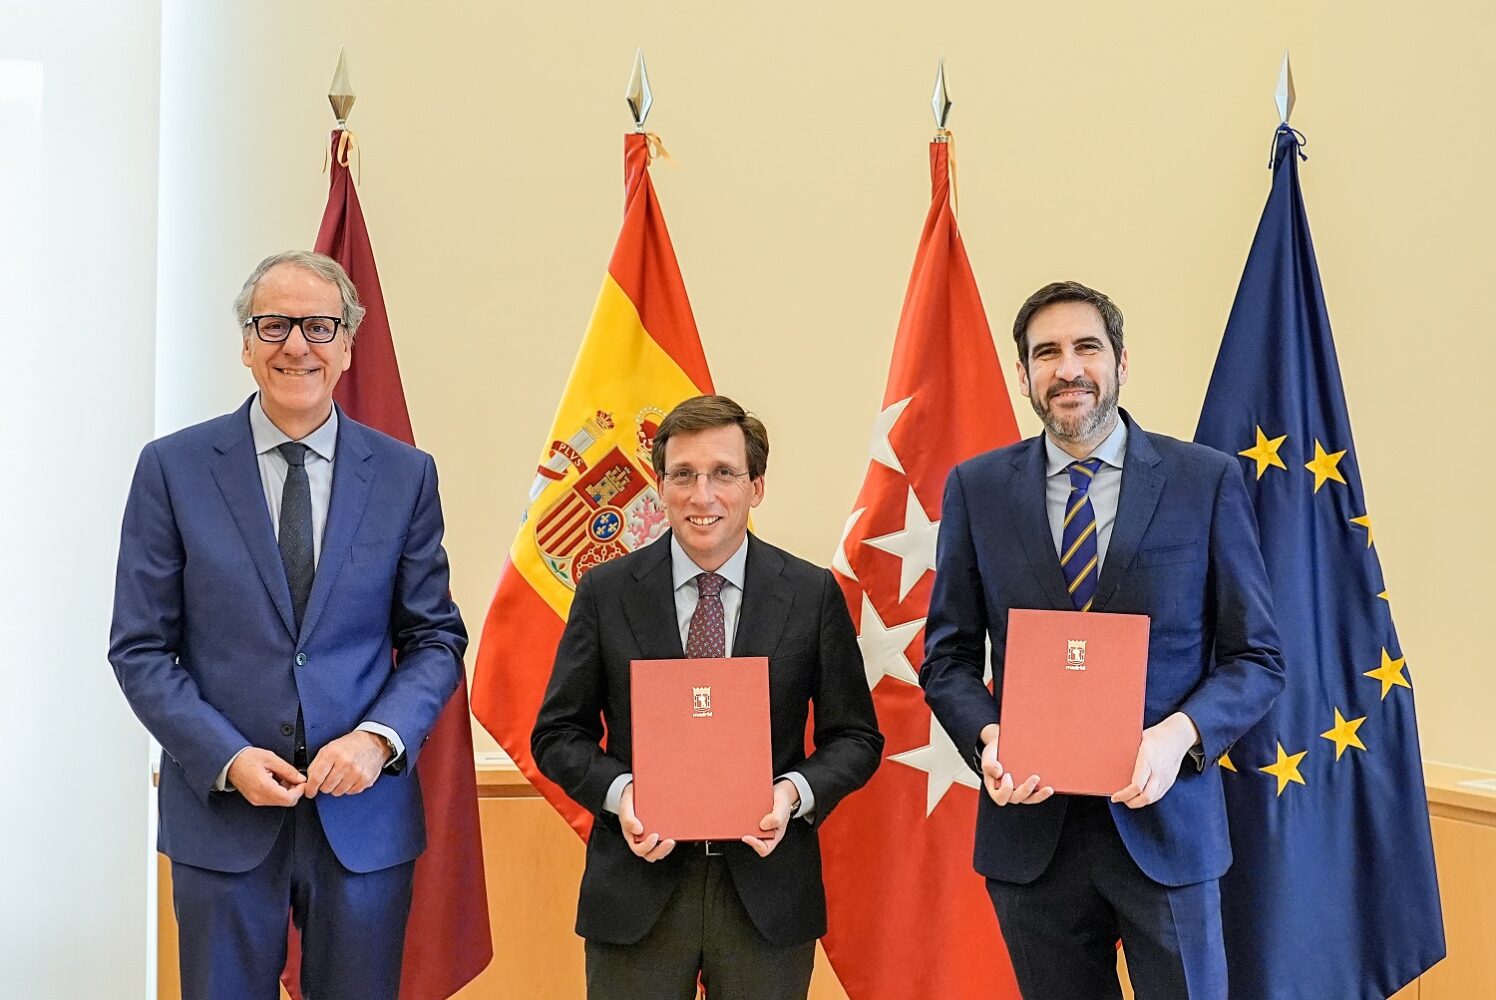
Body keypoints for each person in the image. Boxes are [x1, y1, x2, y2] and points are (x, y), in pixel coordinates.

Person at [109, 250, 466, 999]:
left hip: (362, 819)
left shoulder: (405, 474)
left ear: (347, 345)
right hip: (223, 815)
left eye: (318, 326)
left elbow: (434, 638)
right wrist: (227, 756)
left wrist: (378, 741)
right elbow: (140, 648)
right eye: (273, 325)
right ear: (246, 344)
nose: (296, 344)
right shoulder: (173, 469)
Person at [921, 281, 1285, 999]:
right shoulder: (977, 489)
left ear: (1120, 361)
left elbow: (1256, 658)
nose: (1068, 369)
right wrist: (990, 738)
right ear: (1022, 374)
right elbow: (949, 658)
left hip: (1167, 827)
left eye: (1086, 347)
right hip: (1032, 837)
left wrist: (1176, 739)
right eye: (1046, 353)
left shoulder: (1203, 481)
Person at [532, 394, 883, 1000]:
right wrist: (623, 794)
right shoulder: (605, 592)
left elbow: (855, 737)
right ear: (660, 487)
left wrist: (791, 794)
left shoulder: (810, 594)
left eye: (723, 473)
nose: (703, 495)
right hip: (636, 891)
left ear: (756, 487)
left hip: (768, 893)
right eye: (683, 475)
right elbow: (557, 734)